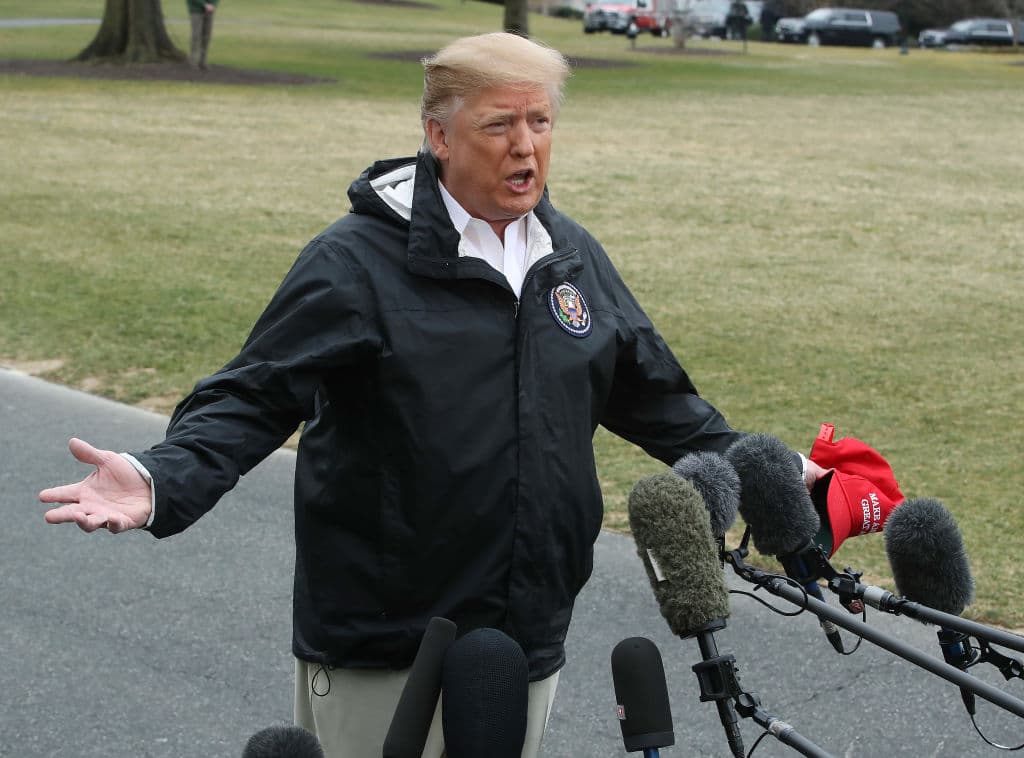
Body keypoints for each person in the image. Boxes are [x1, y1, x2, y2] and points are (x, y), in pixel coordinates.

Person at [38, 32, 826, 757]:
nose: (526, 146)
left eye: (541, 122)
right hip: (387, 650)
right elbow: (254, 395)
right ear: (439, 137)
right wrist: (158, 477)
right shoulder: (354, 263)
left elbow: (658, 397)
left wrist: (782, 475)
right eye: (499, 125)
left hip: (526, 638)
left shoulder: (570, 255)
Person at [187, 0, 219, 69]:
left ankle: (203, 61)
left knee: (206, 36)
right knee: (196, 36)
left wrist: (213, 5)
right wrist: (204, 4)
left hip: (209, 11)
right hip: (196, 10)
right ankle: (193, 61)